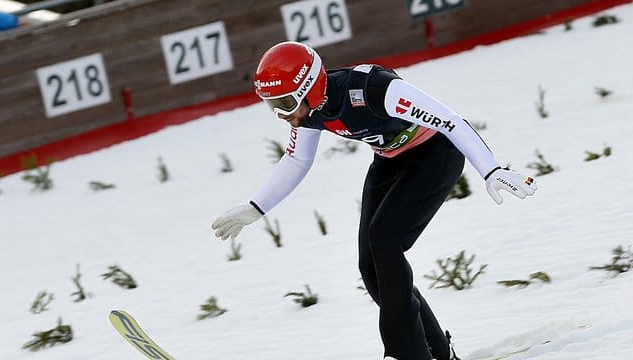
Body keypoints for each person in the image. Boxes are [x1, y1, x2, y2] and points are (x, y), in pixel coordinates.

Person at [211, 41, 537, 360]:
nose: (281, 115)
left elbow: (451, 121)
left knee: (385, 240)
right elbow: (297, 160)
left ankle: (403, 352)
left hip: (435, 154)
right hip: (389, 160)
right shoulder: (307, 112)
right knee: (370, 266)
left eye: (284, 103)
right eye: (272, 106)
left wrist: (490, 169)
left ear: (310, 89)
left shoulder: (374, 90)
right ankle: (437, 352)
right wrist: (255, 208)